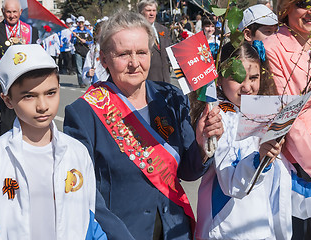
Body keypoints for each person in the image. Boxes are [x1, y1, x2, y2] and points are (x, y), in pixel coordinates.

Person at [63, 10, 223, 240]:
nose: (134, 63)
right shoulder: (83, 112)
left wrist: (200, 144)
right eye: (123, 54)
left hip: (175, 229)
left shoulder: (170, 97)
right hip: (122, 232)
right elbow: (84, 192)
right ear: (104, 58)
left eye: (141, 52)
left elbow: (188, 172)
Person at [0, 44, 106, 240]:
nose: (43, 106)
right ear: (8, 100)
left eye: (51, 93)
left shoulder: (77, 153)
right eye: (29, 96)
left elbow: (90, 221)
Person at [195, 41, 311, 239]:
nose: (247, 87)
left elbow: (284, 184)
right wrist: (260, 158)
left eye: (254, 78)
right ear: (219, 79)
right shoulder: (217, 119)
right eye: (237, 79)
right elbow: (231, 184)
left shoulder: (266, 113)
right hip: (228, 231)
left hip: (265, 230)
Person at [263, 0, 311, 238]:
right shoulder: (272, 47)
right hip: (302, 161)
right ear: (286, 8)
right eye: (304, 4)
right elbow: (287, 115)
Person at [0, 0, 39, 135]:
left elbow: (36, 56)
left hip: (28, 83)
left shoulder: (31, 31)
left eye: (14, 12)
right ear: (3, 12)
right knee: (7, 120)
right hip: (5, 84)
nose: (12, 15)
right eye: (8, 12)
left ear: (20, 12)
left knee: (29, 118)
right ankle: (6, 150)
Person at [138, 0, 171, 83]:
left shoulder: (163, 30)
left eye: (154, 10)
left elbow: (169, 53)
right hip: (148, 82)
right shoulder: (137, 32)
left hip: (166, 80)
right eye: (148, 11)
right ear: (141, 12)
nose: (152, 14)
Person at [73, 16, 93, 88]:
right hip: (78, 51)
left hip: (86, 52)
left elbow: (92, 41)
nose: (80, 24)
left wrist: (86, 42)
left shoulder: (88, 32)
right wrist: (74, 37)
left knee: (86, 67)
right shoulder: (75, 31)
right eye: (79, 22)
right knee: (79, 69)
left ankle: (86, 80)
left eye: (82, 22)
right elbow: (71, 42)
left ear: (84, 23)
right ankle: (81, 82)